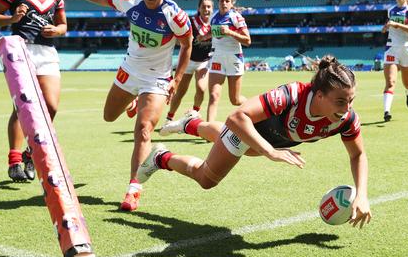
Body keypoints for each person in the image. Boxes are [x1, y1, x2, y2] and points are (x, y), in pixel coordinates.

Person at [144, 56, 371, 228]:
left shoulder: (346, 119)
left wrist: (361, 194)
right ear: (319, 95)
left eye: (351, 101)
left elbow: (357, 155)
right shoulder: (291, 95)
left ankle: (190, 123)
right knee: (206, 179)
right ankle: (161, 157)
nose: (347, 109)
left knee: (224, 137)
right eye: (340, 101)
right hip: (247, 131)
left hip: (268, 141)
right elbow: (236, 118)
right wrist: (270, 151)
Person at [48, 0, 193, 211]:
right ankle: (133, 100)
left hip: (156, 79)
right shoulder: (131, 1)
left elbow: (187, 44)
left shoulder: (174, 15)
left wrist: (176, 80)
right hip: (129, 71)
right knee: (109, 116)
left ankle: (133, 189)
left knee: (144, 129)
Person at [0, 0, 67, 182]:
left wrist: (57, 30)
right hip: (20, 51)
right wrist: (12, 18)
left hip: (47, 52)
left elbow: (63, 25)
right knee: (22, 108)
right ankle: (15, 162)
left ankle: (30, 154)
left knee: (50, 106)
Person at [162, 0, 214, 125]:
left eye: (209, 7)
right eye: (203, 7)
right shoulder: (191, 21)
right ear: (199, 8)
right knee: (181, 92)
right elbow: (178, 34)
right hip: (188, 60)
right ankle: (169, 118)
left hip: (204, 61)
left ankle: (194, 113)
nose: (206, 9)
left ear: (212, 9)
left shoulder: (215, 22)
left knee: (201, 89)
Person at [206, 0, 251, 122]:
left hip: (234, 58)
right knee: (213, 96)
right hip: (217, 58)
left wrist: (230, 32)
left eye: (227, 1)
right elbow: (214, 33)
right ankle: (209, 128)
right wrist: (204, 37)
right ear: (218, 3)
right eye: (221, 1)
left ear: (232, 4)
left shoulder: (236, 17)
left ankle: (254, 108)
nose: (224, 3)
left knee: (235, 100)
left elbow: (247, 41)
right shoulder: (213, 17)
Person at [381, 0, 408, 122]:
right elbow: (389, 25)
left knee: (407, 83)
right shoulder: (390, 10)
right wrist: (386, 27)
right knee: (390, 81)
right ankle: (387, 111)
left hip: (407, 48)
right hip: (391, 47)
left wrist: (398, 25)